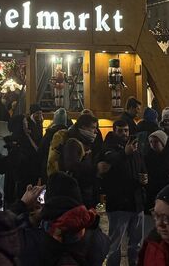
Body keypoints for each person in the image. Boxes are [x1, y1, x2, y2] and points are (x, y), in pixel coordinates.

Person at [12, 172, 109, 266]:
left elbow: (2, 232)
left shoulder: (32, 242)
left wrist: (23, 205)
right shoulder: (97, 240)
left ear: (48, 203)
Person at [99, 120, 147, 266]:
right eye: (120, 130)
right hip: (119, 204)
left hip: (136, 203)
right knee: (115, 245)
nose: (124, 134)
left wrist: (145, 178)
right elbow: (109, 161)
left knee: (136, 244)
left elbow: (142, 167)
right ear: (114, 131)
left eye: (126, 130)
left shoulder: (135, 148)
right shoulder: (109, 148)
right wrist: (125, 153)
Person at [60, 113, 101, 207]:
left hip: (84, 190)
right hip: (78, 192)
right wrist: (95, 168)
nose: (96, 131)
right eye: (93, 128)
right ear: (83, 127)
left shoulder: (85, 142)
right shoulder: (73, 143)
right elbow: (72, 166)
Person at [4, 114, 44, 207]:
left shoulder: (25, 137)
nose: (27, 123)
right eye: (25, 122)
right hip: (23, 182)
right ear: (20, 125)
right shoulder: (17, 142)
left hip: (27, 179)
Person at [43, 107, 71, 178]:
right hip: (64, 170)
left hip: (49, 169)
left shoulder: (49, 133)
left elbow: (42, 151)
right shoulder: (68, 134)